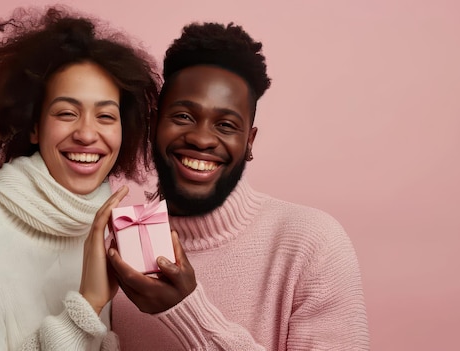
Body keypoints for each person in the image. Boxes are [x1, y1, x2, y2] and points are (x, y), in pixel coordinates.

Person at [107, 22, 370, 350]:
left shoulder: (313, 244)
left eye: (226, 124)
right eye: (183, 117)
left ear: (249, 141)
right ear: (154, 125)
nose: (202, 139)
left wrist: (186, 311)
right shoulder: (117, 249)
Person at [0, 6, 159, 351]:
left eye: (106, 115)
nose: (87, 133)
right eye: (66, 113)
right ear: (33, 126)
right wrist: (86, 307)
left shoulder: (107, 235)